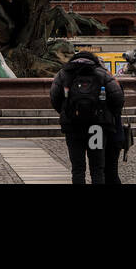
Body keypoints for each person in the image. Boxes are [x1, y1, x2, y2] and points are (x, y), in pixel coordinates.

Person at [49, 50, 124, 184]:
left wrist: (66, 112)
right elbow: (117, 97)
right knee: (97, 168)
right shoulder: (102, 73)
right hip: (97, 127)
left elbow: (54, 98)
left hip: (73, 126)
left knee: (78, 169)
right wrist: (107, 115)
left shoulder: (63, 74)